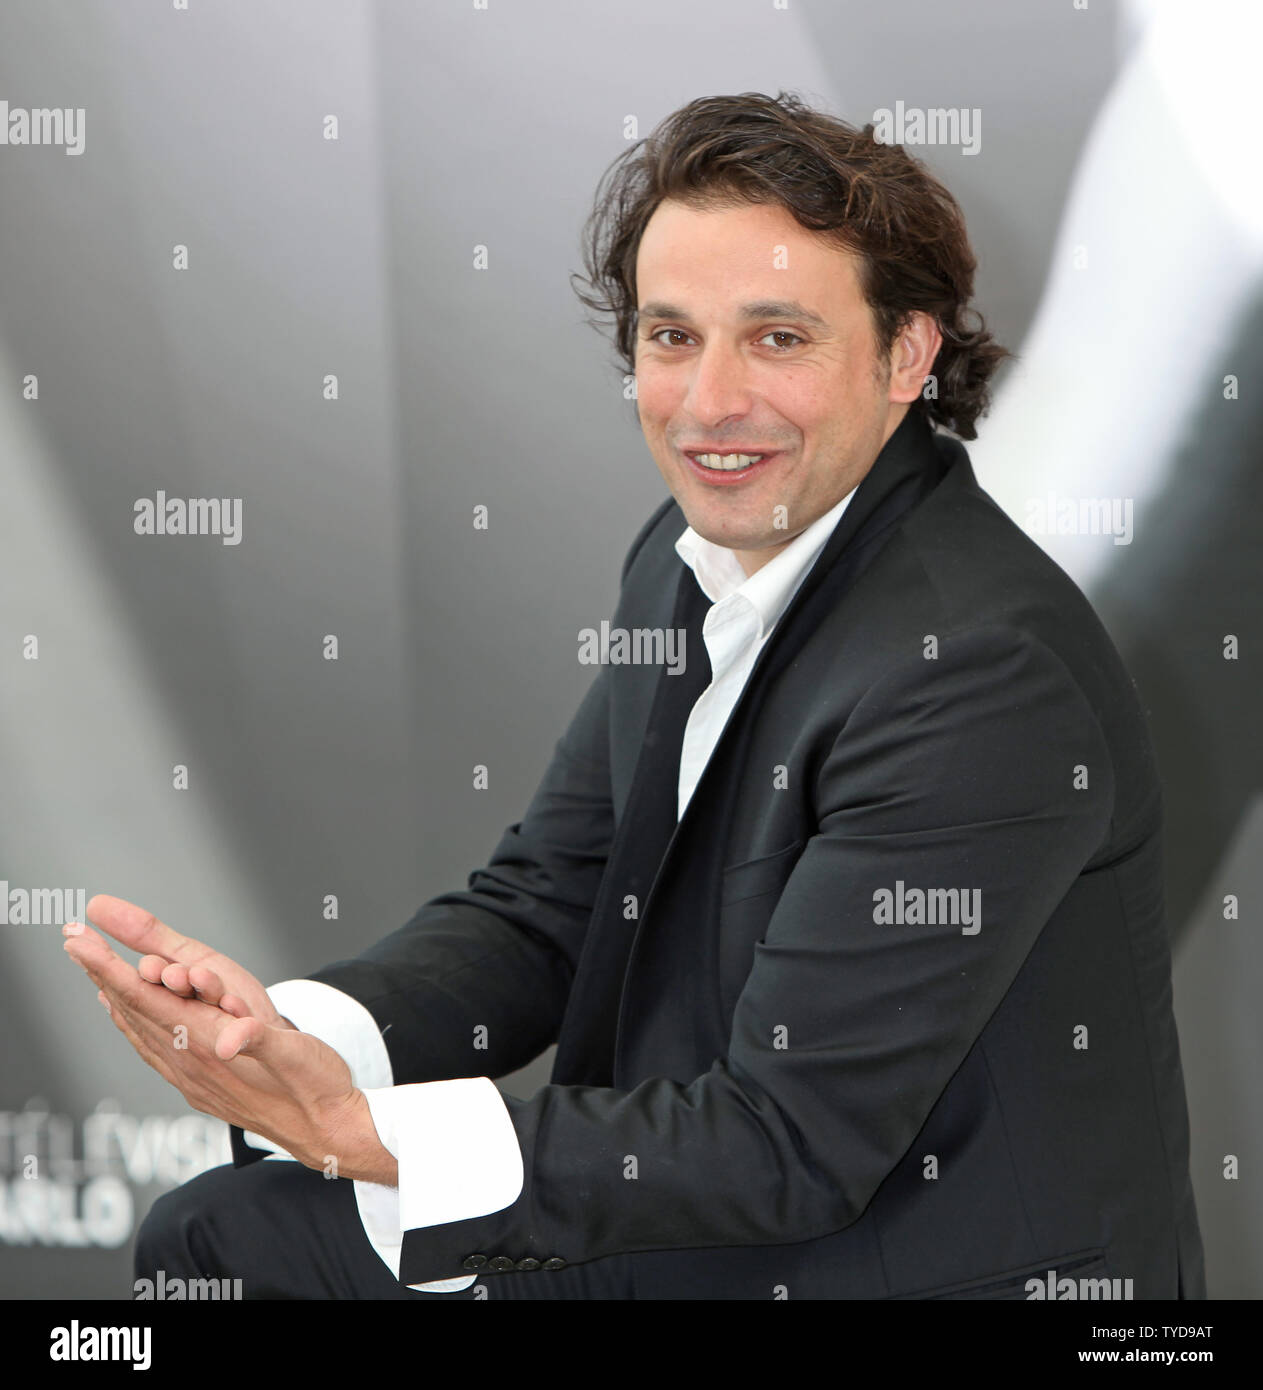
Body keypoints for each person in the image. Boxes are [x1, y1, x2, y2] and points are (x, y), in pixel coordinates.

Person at [65, 91, 1205, 1300]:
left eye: (776, 338)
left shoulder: (977, 674)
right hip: (718, 1199)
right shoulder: (687, 554)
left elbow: (795, 1142)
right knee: (221, 1240)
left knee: (231, 1250)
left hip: (885, 1255)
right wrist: (295, 1047)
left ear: (906, 354)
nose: (709, 403)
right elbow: (550, 906)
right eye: (671, 337)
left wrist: (369, 1133)